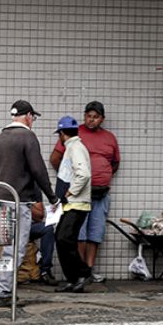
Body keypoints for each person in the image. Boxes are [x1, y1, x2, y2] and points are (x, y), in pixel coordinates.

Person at [0, 99, 59, 309]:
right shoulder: (28, 137)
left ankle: (0, 285)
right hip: (18, 201)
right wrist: (51, 196)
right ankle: (4, 292)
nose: (33, 121)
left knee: (8, 246)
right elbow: (38, 170)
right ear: (28, 116)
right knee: (16, 248)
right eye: (33, 117)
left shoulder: (0, 138)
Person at [49, 101, 120, 281]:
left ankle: (85, 271)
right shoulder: (75, 139)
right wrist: (69, 186)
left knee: (94, 233)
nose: (91, 120)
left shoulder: (107, 138)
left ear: (102, 119)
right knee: (74, 236)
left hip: (98, 193)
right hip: (78, 197)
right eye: (89, 115)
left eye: (96, 117)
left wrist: (73, 188)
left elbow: (114, 163)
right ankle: (79, 273)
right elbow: (57, 160)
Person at [52, 116, 93, 292]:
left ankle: (83, 273)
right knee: (62, 239)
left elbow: (83, 174)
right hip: (71, 204)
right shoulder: (73, 147)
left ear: (62, 133)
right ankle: (74, 279)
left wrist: (70, 192)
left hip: (77, 203)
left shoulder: (76, 148)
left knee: (64, 238)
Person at [17, 201, 56, 286]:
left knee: (48, 228)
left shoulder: (33, 190)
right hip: (9, 226)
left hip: (28, 226)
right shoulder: (3, 189)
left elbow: (39, 217)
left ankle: (45, 270)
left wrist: (24, 205)